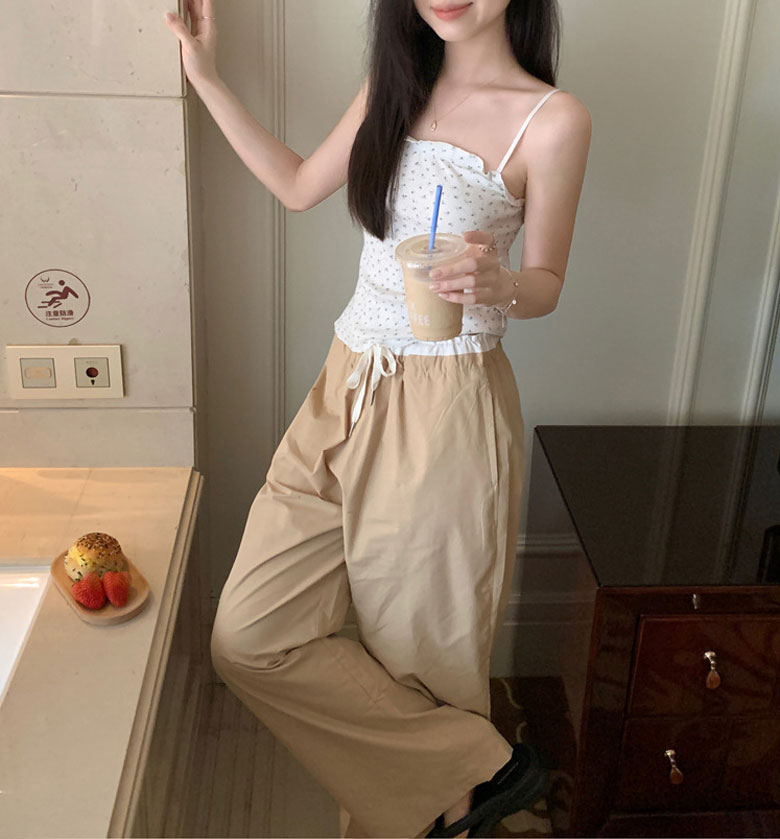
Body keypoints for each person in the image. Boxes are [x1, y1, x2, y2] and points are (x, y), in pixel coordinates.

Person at [165, 1, 591, 837]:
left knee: (422, 664)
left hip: (446, 406)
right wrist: (205, 79)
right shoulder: (393, 86)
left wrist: (499, 282)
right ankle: (485, 767)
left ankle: (456, 801)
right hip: (345, 383)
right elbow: (297, 186)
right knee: (250, 634)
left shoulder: (553, 120)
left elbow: (546, 282)